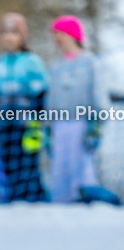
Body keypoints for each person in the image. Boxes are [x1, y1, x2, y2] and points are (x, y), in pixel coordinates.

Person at [0, 13, 49, 202]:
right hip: (5, 125)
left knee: (28, 165)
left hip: (28, 125)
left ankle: (33, 201)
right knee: (8, 163)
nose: (9, 38)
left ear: (22, 36)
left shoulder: (32, 62)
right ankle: (13, 201)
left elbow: (41, 93)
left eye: (14, 33)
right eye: (5, 33)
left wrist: (36, 122)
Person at [46, 16, 100, 203]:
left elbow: (97, 93)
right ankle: (61, 202)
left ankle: (85, 198)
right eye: (55, 34)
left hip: (82, 122)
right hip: (59, 123)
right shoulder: (56, 65)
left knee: (81, 164)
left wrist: (95, 125)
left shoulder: (90, 62)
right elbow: (51, 96)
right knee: (60, 165)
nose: (57, 38)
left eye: (60, 33)